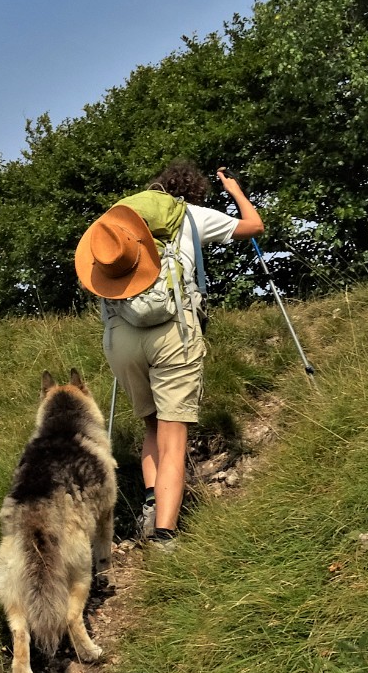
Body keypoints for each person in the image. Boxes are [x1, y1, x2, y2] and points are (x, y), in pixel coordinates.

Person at [74, 160, 264, 547]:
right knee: (174, 436)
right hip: (173, 329)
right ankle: (165, 535)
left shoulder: (116, 219)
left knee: (152, 426)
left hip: (122, 336)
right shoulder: (190, 215)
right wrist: (235, 192)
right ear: (189, 191)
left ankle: (150, 501)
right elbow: (254, 227)